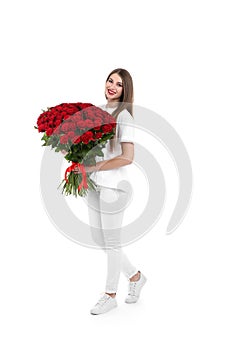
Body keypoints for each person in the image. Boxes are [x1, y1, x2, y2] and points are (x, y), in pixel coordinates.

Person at [74, 68, 147, 315]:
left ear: (126, 89)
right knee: (99, 239)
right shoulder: (95, 112)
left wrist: (93, 166)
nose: (112, 86)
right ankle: (135, 277)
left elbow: (128, 158)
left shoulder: (124, 116)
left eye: (119, 83)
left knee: (113, 243)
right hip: (94, 184)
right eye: (110, 80)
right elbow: (88, 149)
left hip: (114, 188)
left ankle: (110, 294)